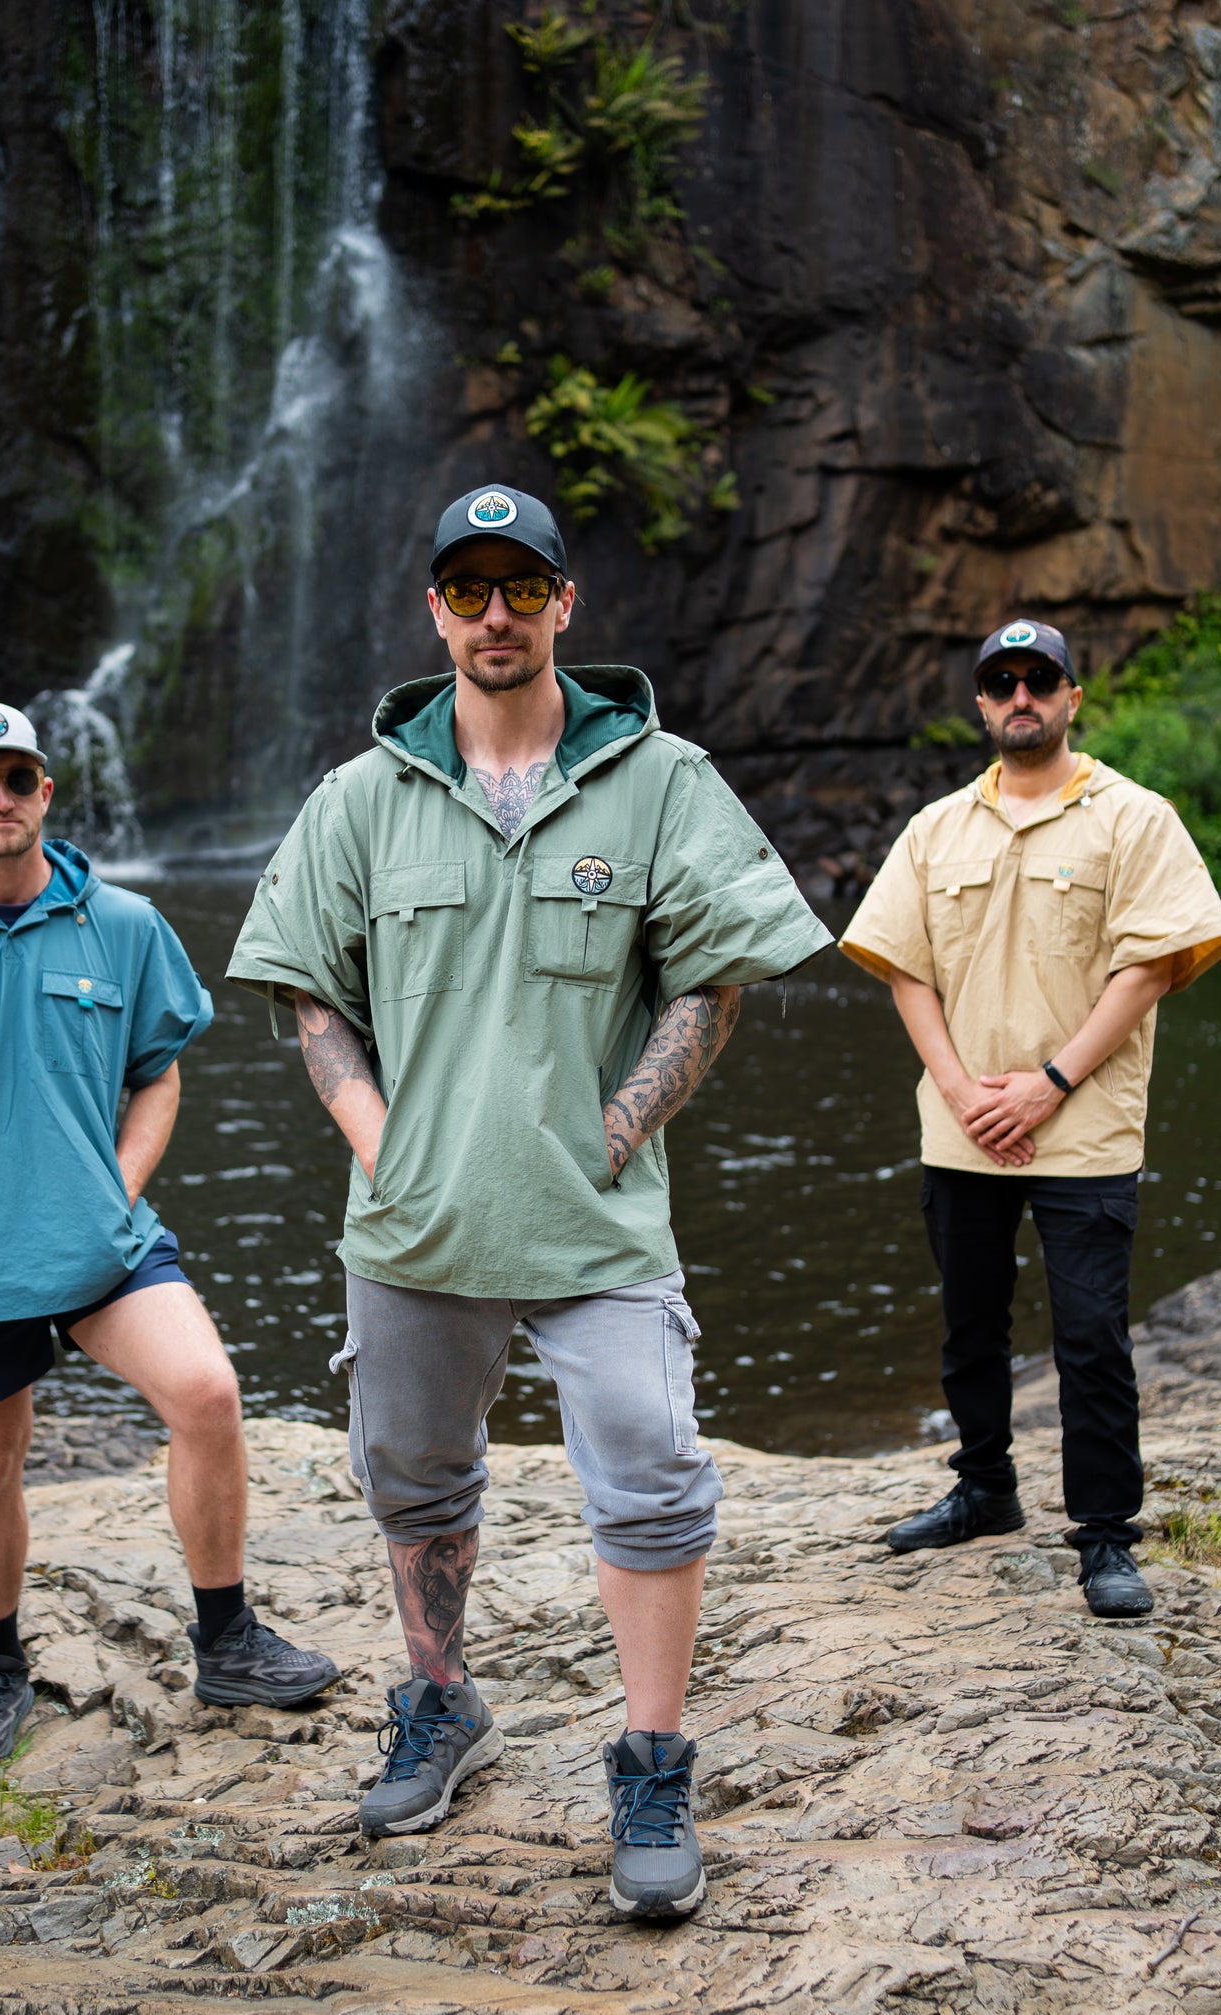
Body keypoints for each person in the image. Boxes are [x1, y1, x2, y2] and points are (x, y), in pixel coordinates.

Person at [228, 484, 831, 1917]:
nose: (493, 614)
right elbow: (311, 990)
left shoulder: (661, 778)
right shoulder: (361, 797)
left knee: (646, 1458)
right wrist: (381, 1144)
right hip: (416, 1224)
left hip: (594, 1221)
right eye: (465, 589)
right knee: (415, 1472)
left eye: (520, 586)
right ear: (432, 610)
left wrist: (619, 1130)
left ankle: (652, 1760)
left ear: (566, 603)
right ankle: (439, 1700)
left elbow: (713, 976)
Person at [0, 700, 339, 1759]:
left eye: (18, 780)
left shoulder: (126, 924)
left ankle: (225, 1637)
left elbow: (159, 1074)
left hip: (106, 1239)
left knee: (208, 1391)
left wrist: (117, 1185)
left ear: (47, 790)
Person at [840, 618, 1221, 1617]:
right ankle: (983, 1488)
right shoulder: (935, 829)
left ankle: (1104, 1532)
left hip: (1082, 1127)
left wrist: (1046, 1084)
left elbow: (1148, 966)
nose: (1019, 693)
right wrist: (966, 1090)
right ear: (980, 702)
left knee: (1092, 1335)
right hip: (960, 1123)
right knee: (967, 1325)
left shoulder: (1131, 817)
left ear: (1070, 697)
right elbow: (902, 967)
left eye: (1037, 678)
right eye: (999, 680)